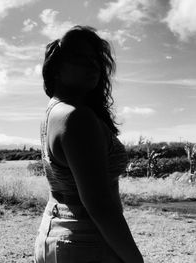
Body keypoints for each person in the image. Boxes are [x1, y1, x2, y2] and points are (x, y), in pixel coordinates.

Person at [33, 25, 145, 263]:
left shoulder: (54, 110)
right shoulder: (77, 117)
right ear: (56, 69)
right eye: (79, 59)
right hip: (85, 239)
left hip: (53, 229)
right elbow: (100, 206)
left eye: (95, 59)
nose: (92, 65)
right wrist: (135, 260)